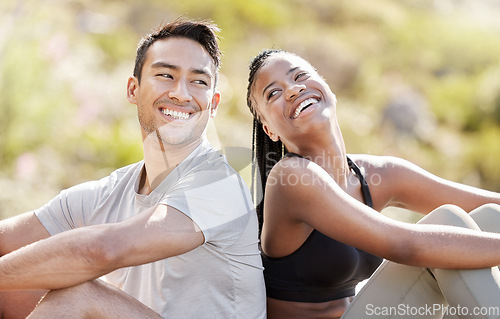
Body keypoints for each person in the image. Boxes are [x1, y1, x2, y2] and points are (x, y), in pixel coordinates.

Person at [0, 19, 266, 319]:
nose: (181, 93)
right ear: (132, 89)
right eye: (166, 75)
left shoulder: (221, 184)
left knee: (78, 294)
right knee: (12, 289)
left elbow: (101, 250)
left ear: (213, 103)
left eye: (199, 81)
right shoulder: (109, 192)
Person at [246, 48, 500, 319]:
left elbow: (489, 203)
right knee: (448, 222)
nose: (293, 90)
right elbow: (404, 246)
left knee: (491, 217)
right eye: (273, 93)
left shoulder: (377, 174)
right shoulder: (290, 179)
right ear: (269, 130)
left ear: (327, 89)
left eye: (300, 76)